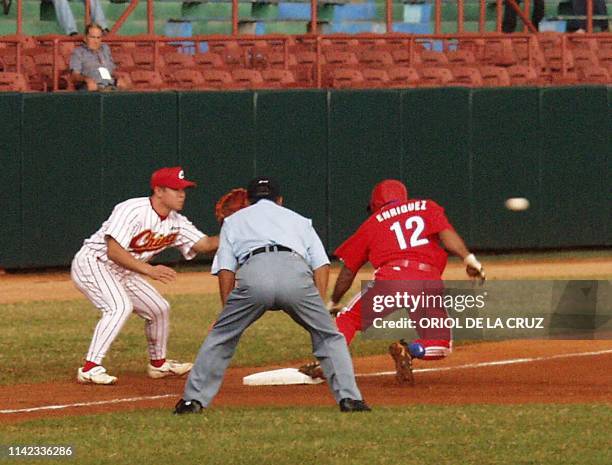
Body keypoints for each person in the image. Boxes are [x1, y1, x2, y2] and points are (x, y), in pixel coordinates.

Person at [174, 176, 370, 414]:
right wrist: (316, 305)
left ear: (248, 199)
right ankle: (350, 400)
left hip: (254, 272)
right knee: (329, 336)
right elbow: (321, 264)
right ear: (280, 200)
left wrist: (227, 310)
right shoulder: (299, 220)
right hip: (295, 272)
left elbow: (226, 268)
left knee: (221, 337)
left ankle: (192, 402)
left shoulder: (233, 221)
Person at [304, 179, 485, 385]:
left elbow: (348, 271)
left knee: (349, 318)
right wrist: (469, 259)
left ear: (375, 205)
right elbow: (447, 234)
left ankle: (329, 363)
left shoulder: (371, 223)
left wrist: (333, 302)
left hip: (392, 279)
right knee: (441, 344)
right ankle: (411, 349)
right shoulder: (425, 206)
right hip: (427, 281)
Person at [71, 166, 219, 385]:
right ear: (158, 191)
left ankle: (158, 365)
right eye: (175, 189)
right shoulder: (132, 210)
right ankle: (90, 368)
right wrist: (150, 270)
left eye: (184, 189)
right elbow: (113, 250)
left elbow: (205, 244)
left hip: (126, 270)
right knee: (118, 306)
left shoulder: (176, 221)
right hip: (94, 263)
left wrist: (235, 227)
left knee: (159, 308)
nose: (182, 194)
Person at [69, 23, 126, 91]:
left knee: (125, 83)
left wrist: (119, 77)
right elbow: (74, 76)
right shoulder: (78, 52)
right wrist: (87, 80)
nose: (96, 41)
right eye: (92, 37)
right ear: (85, 38)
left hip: (110, 84)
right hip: (94, 86)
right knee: (90, 87)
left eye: (98, 37)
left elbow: (112, 71)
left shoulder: (105, 49)